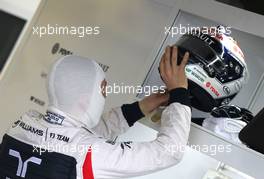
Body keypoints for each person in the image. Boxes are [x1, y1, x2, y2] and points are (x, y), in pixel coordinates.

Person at [0, 46, 191, 179]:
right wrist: (180, 92)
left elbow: (81, 135)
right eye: (103, 89)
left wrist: (142, 107)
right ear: (86, 98)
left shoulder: (22, 124)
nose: (105, 94)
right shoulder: (91, 154)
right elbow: (169, 152)